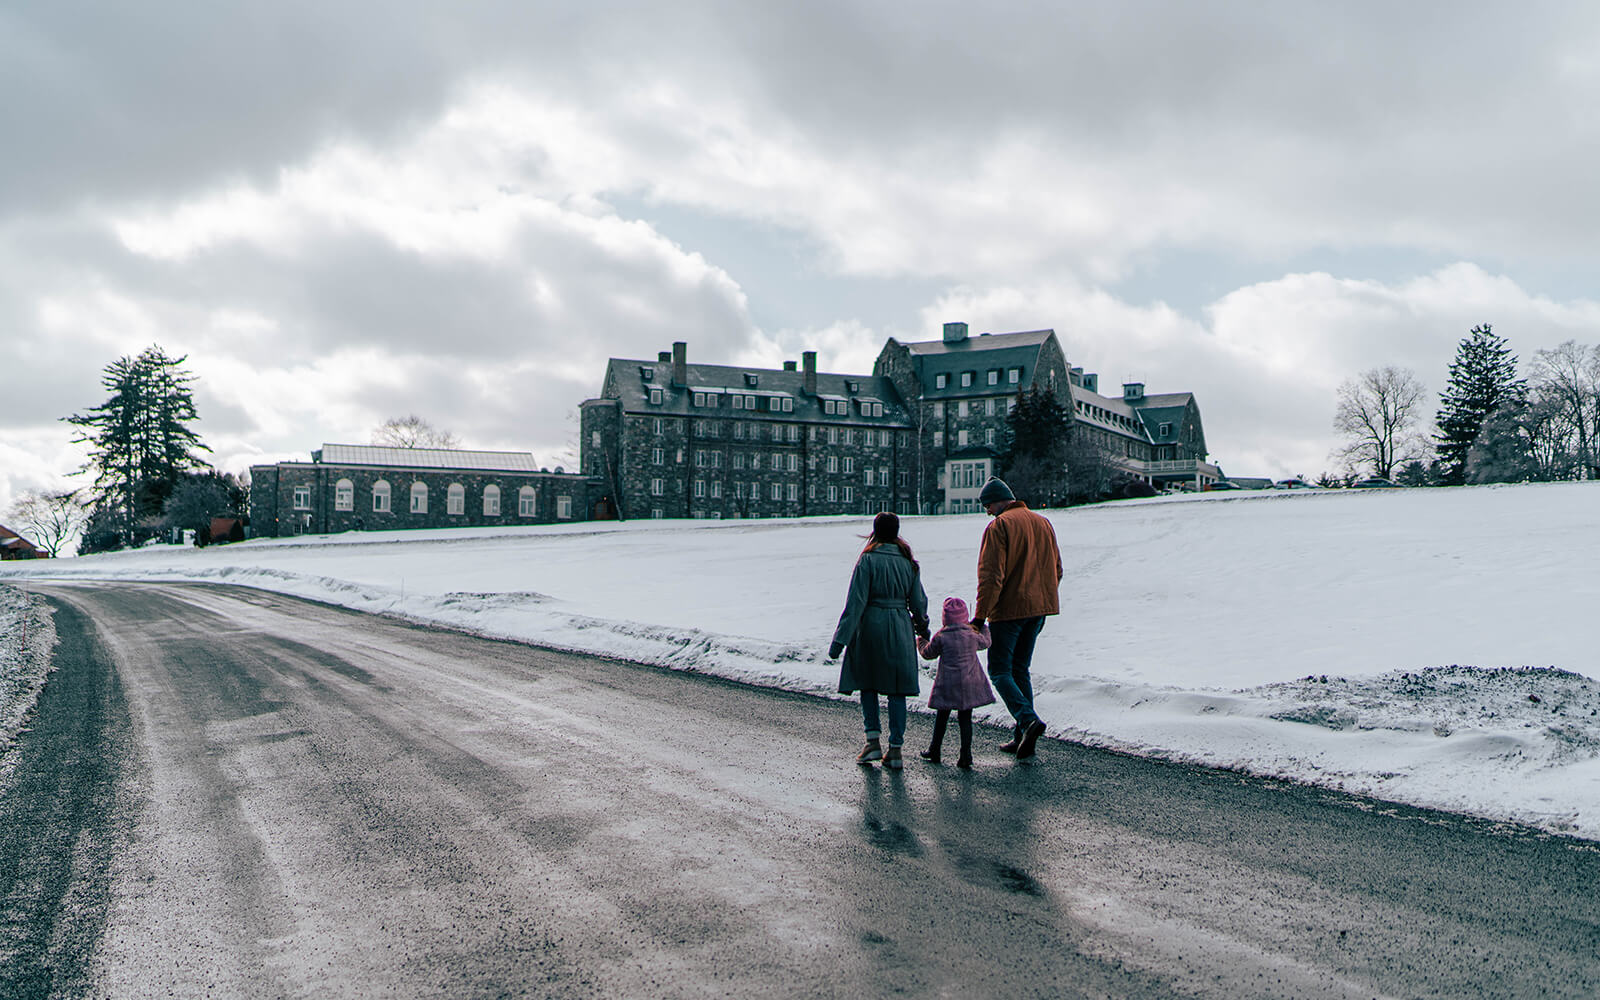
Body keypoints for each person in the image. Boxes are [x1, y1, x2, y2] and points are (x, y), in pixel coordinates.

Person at [829, 512, 930, 770]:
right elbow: (918, 602)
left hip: (870, 626)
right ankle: (895, 749)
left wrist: (840, 641)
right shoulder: (909, 562)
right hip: (899, 626)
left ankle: (872, 741)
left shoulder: (868, 560)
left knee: (869, 684)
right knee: (897, 689)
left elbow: (855, 603)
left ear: (875, 531)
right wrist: (922, 627)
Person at [971, 477, 1062, 760]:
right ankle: (1022, 736)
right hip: (1039, 610)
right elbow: (1057, 568)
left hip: (1009, 611)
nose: (987, 511)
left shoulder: (1000, 526)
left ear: (998, 501)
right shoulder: (1043, 522)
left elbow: (991, 577)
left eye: (987, 505)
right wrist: (1043, 596)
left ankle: (1027, 720)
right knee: (1020, 669)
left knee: (999, 670)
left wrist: (979, 616)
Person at [916, 596, 994, 769]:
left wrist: (921, 642)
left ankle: (935, 750)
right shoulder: (971, 635)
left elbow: (928, 654)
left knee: (942, 717)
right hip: (969, 683)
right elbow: (986, 642)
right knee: (965, 719)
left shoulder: (942, 636)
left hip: (947, 684)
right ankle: (965, 755)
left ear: (946, 618)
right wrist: (983, 627)